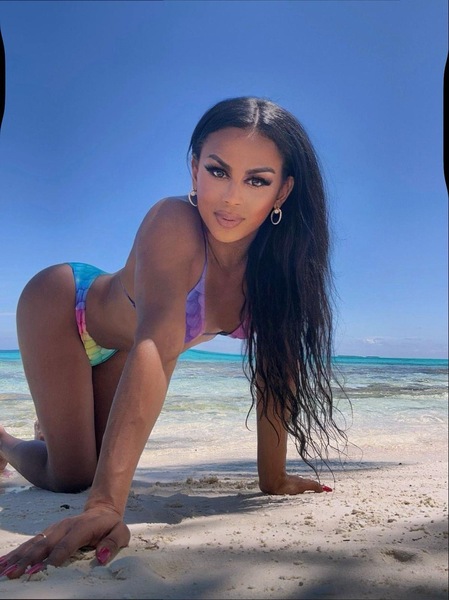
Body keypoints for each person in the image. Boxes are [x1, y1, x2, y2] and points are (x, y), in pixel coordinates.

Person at [0, 96, 346, 579]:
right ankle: (3, 441)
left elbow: (276, 370)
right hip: (63, 309)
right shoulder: (174, 222)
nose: (231, 198)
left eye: (257, 180)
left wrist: (273, 478)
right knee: (72, 476)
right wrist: (104, 506)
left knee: (88, 463)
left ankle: (53, 428)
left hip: (123, 346)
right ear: (194, 168)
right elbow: (156, 347)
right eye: (218, 171)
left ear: (282, 191)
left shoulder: (276, 271)